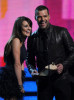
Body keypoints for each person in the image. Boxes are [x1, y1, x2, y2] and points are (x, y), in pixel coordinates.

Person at [26, 5, 74, 100]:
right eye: (39, 16)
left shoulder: (62, 32)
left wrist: (63, 66)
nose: (42, 19)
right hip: (44, 82)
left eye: (45, 16)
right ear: (35, 18)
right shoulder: (32, 38)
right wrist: (32, 70)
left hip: (62, 79)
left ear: (49, 17)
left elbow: (73, 52)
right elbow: (29, 60)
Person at [0, 16, 32, 100]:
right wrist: (20, 85)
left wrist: (21, 79)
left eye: (29, 26)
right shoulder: (16, 40)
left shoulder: (21, 42)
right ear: (19, 28)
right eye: (26, 26)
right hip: (11, 79)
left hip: (16, 78)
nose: (29, 28)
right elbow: (17, 64)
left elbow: (21, 63)